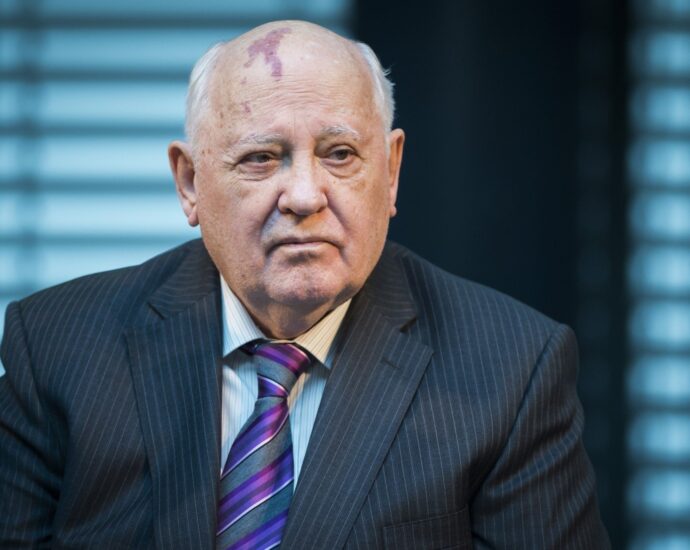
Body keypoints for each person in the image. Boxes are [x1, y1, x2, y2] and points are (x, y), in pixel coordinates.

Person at [0, 20, 609, 549]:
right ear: (189, 183)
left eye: (339, 154)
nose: (304, 196)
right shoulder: (57, 348)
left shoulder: (512, 371)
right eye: (261, 158)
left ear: (391, 172)